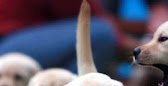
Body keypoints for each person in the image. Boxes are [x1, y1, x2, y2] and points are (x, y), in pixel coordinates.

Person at [0, 0, 135, 74]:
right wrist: (147, 54)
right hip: (6, 44)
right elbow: (87, 14)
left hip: (16, 41)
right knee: (100, 35)